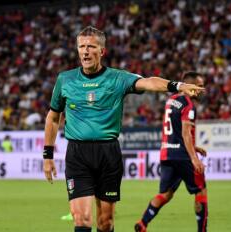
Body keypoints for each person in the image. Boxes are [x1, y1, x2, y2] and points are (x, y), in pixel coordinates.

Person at [42, 26, 204, 232]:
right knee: (82, 219)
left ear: (102, 51)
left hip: (108, 153)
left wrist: (178, 86)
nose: (85, 51)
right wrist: (47, 155)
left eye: (91, 46)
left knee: (106, 222)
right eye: (81, 46)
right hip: (78, 154)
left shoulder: (118, 78)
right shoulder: (65, 79)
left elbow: (149, 83)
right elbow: (53, 117)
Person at [134, 71, 208, 232]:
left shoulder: (171, 101)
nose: (202, 89)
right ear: (190, 85)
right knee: (201, 189)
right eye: (200, 86)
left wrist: (194, 147)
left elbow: (174, 131)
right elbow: (185, 133)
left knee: (165, 194)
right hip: (183, 156)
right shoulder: (188, 104)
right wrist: (194, 158)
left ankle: (142, 223)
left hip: (167, 154)